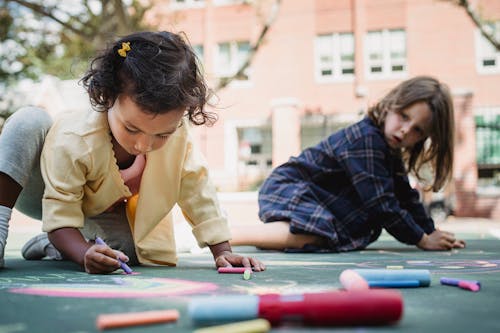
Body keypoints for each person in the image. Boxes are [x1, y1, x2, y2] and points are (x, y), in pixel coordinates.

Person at [0, 31, 265, 273]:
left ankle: (54, 243)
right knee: (28, 121)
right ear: (106, 96)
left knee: (128, 252)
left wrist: (223, 251)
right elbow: (60, 211)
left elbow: (197, 188)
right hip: (37, 188)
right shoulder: (76, 137)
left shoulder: (178, 135)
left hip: (92, 211)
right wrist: (82, 254)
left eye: (162, 134)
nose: (143, 145)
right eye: (131, 128)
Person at [231, 76, 466, 252]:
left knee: (326, 233)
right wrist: (421, 239)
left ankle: (275, 237)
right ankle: (230, 235)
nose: (405, 130)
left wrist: (431, 230)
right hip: (289, 188)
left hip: (315, 198)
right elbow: (381, 203)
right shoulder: (366, 139)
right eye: (404, 116)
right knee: (320, 234)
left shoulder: (387, 147)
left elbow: (404, 195)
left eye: (417, 130)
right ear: (391, 104)